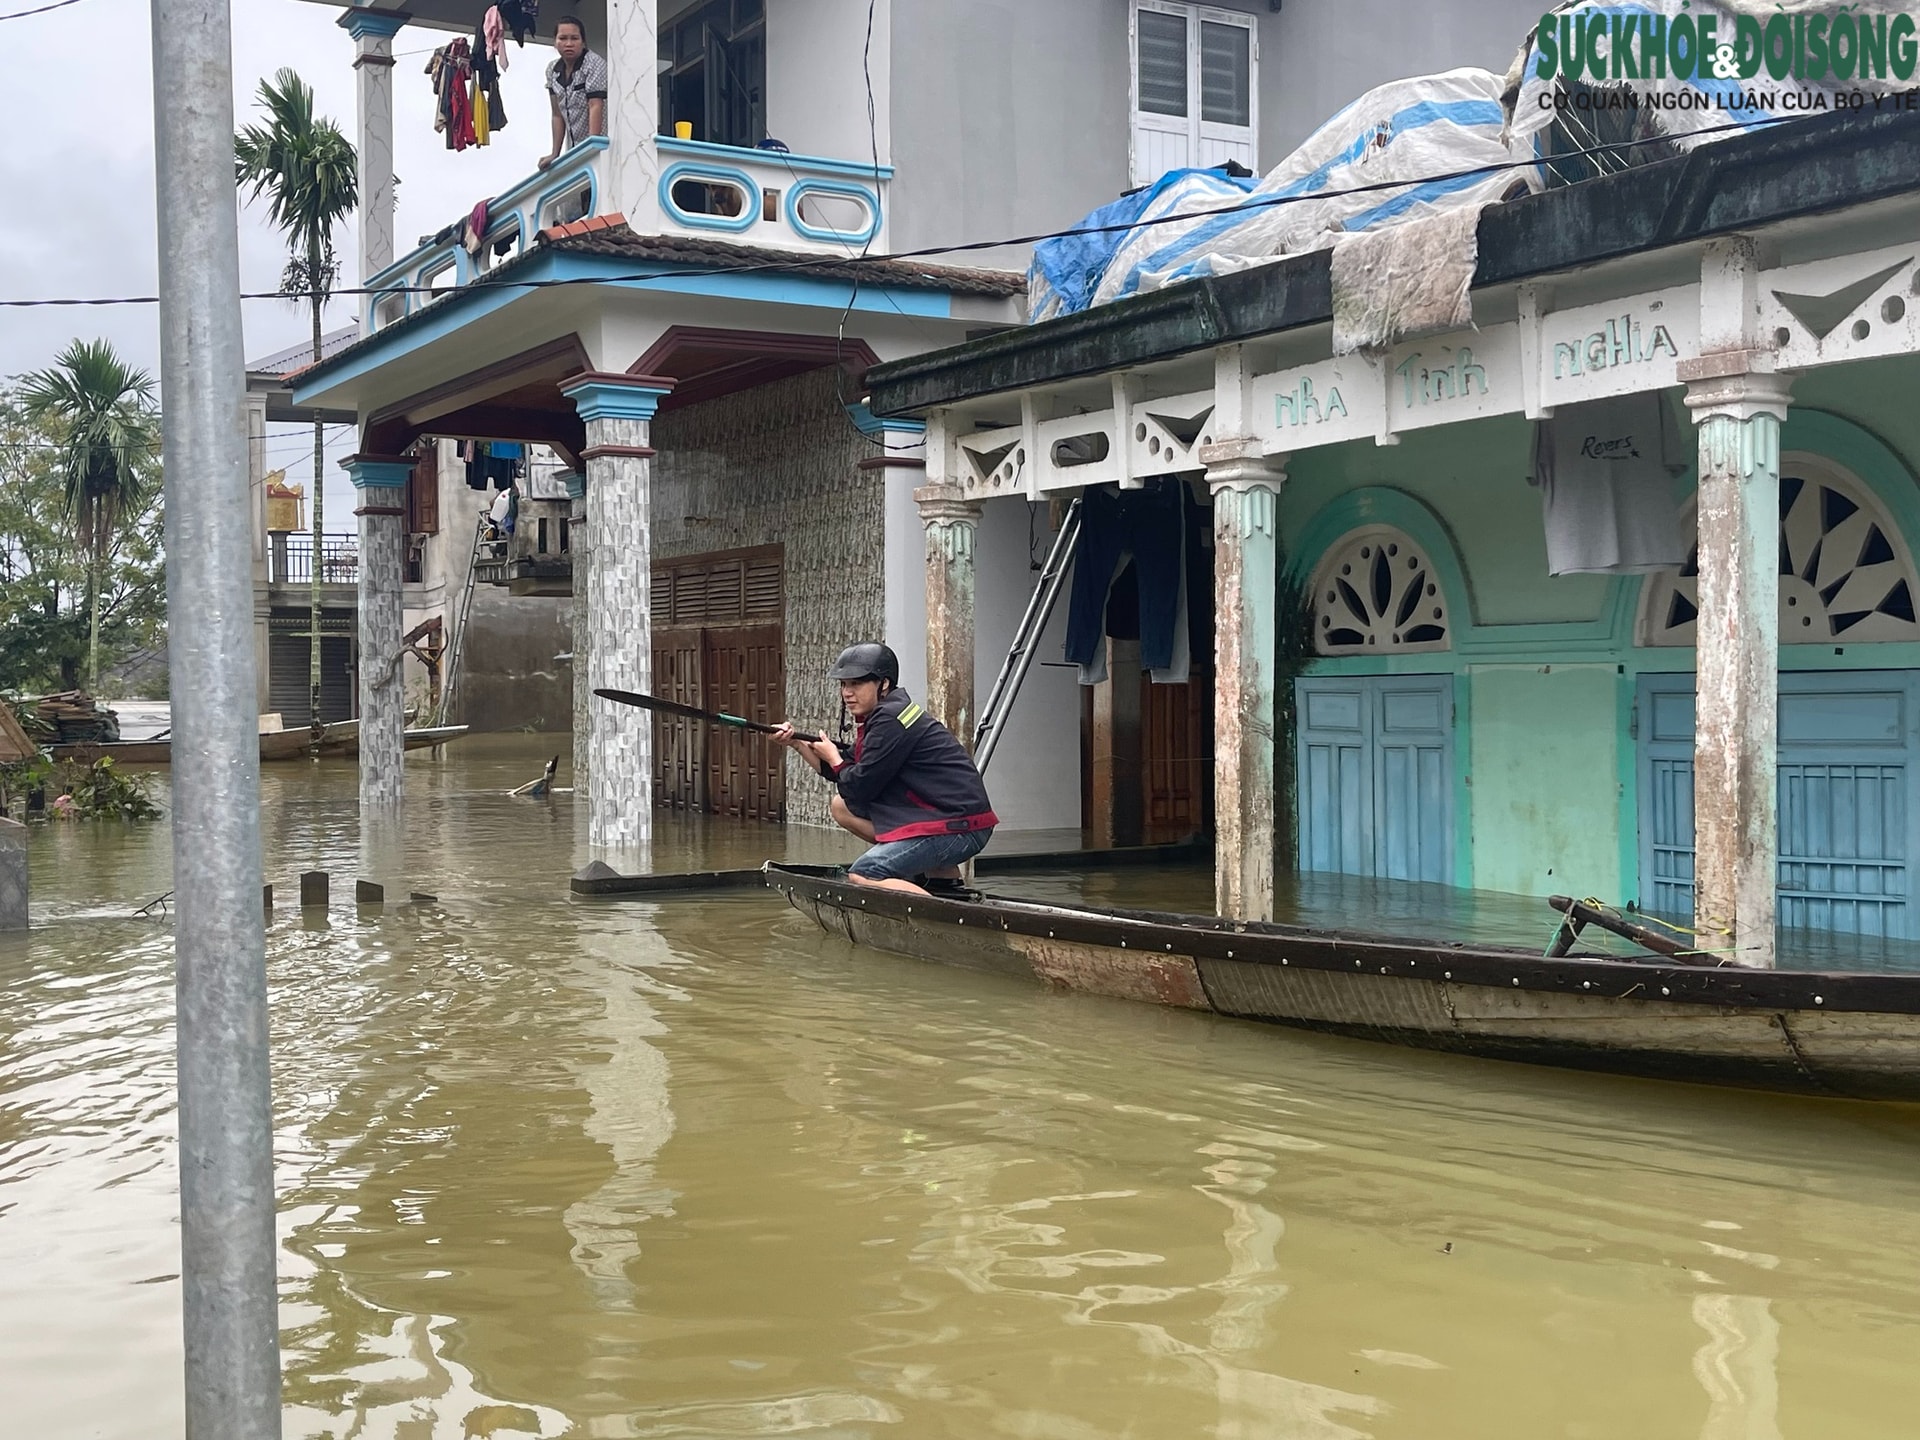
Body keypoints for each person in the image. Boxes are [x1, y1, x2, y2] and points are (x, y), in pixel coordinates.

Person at [773, 643, 997, 896]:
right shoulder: (890, 713)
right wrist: (797, 743)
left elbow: (858, 787)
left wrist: (835, 759)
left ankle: (936, 917)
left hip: (960, 829)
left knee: (864, 873)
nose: (847, 693)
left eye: (856, 684)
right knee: (840, 805)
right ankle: (942, 879)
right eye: (844, 685)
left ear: (884, 683)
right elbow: (846, 769)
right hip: (957, 822)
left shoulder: (891, 718)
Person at [537, 16, 607, 169]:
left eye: (574, 38)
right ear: (555, 42)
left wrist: (592, 146)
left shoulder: (594, 64)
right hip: (575, 150)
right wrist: (555, 153)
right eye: (563, 38)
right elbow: (557, 114)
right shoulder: (552, 70)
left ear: (583, 42)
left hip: (602, 149)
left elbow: (595, 105)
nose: (568, 44)